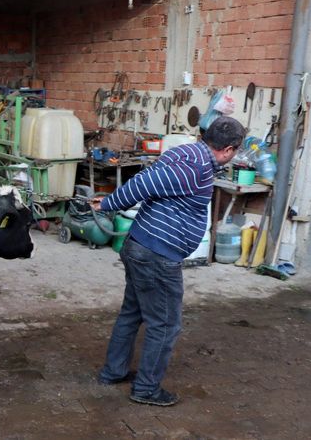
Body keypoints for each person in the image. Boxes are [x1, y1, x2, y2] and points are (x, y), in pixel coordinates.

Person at [92, 116, 245, 406]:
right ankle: (146, 389)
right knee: (165, 325)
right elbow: (145, 182)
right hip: (156, 257)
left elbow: (153, 181)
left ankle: (114, 372)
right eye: (235, 151)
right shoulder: (197, 166)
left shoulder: (187, 152)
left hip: (143, 248)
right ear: (228, 150)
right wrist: (110, 203)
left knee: (132, 312)